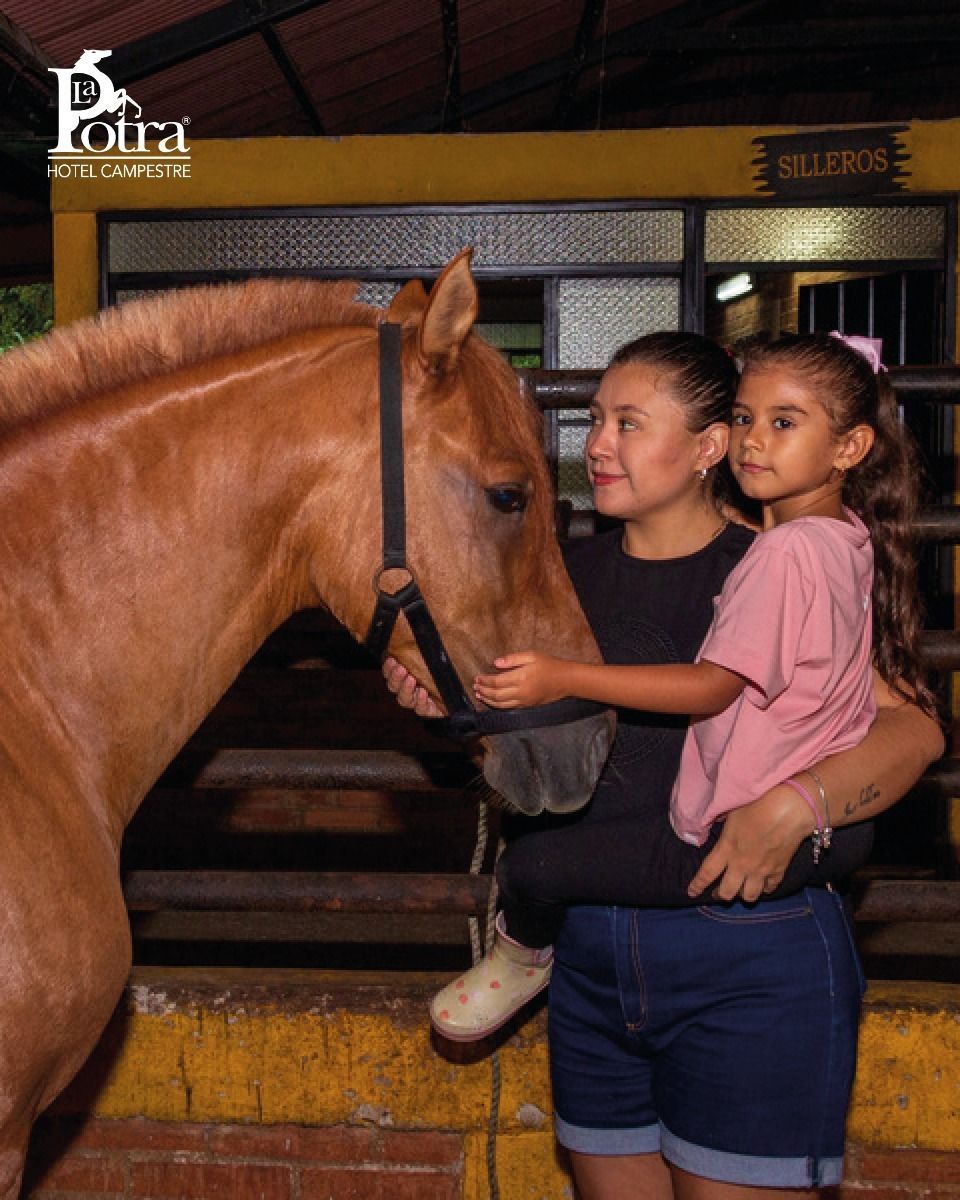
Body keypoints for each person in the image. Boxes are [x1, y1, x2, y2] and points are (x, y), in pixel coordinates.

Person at [384, 330, 944, 1197]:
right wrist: (444, 702)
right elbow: (524, 738)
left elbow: (912, 727)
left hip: (744, 942)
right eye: (595, 420)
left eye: (628, 423)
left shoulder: (772, 563)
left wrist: (802, 802)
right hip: (589, 950)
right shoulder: (554, 575)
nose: (596, 444)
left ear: (707, 447)